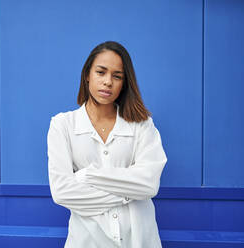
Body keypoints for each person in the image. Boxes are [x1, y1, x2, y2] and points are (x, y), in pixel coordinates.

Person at [47, 41, 167, 248]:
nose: (108, 82)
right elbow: (61, 192)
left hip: (138, 241)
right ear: (87, 75)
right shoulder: (62, 125)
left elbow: (149, 185)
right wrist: (129, 193)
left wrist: (85, 176)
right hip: (87, 241)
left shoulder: (142, 125)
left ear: (124, 83)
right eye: (101, 72)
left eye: (117, 76)